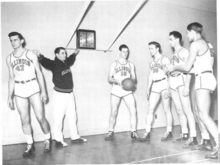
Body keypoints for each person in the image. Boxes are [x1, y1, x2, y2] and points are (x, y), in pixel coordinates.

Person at [165, 22, 218, 159]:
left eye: (188, 33)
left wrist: (174, 68)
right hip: (206, 76)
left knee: (204, 114)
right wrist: (180, 71)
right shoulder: (209, 44)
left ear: (193, 32)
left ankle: (218, 145)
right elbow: (203, 66)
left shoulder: (196, 44)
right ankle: (206, 141)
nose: (187, 35)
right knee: (197, 112)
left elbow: (187, 66)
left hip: (203, 79)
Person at [6, 32, 51, 157]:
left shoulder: (30, 54)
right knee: (24, 120)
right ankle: (30, 145)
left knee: (40, 117)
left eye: (15, 40)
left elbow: (39, 73)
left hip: (32, 86)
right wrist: (9, 96)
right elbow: (11, 78)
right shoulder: (9, 58)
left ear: (21, 40)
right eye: (11, 40)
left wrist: (44, 91)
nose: (13, 42)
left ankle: (47, 139)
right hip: (19, 88)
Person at [33, 47, 87, 147]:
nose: (64, 55)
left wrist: (75, 53)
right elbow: (45, 62)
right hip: (60, 95)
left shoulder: (66, 62)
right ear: (57, 55)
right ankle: (58, 140)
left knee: (72, 116)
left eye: (65, 53)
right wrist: (40, 56)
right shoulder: (54, 64)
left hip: (70, 94)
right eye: (62, 53)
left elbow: (71, 58)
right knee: (58, 118)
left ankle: (75, 137)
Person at [168, 31, 198, 148]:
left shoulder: (185, 52)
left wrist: (187, 86)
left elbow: (189, 69)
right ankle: (185, 133)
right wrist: (169, 86)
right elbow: (172, 71)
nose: (169, 41)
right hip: (173, 83)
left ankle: (193, 136)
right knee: (179, 110)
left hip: (182, 82)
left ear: (177, 39)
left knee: (187, 110)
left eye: (170, 39)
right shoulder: (174, 54)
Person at [105, 44, 139, 140]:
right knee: (113, 112)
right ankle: (110, 131)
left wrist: (130, 82)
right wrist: (118, 81)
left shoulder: (131, 64)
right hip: (116, 89)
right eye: (123, 51)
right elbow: (109, 79)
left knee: (133, 110)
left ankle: (133, 131)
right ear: (120, 52)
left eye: (127, 51)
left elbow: (134, 78)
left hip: (127, 90)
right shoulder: (114, 64)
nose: (125, 53)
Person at [140, 41, 173, 142]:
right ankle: (147, 132)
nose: (150, 50)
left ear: (157, 48)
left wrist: (168, 88)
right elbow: (150, 76)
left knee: (166, 109)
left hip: (164, 84)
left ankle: (169, 131)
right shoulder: (151, 61)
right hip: (155, 85)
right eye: (149, 48)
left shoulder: (165, 59)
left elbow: (170, 74)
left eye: (152, 48)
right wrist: (147, 89)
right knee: (150, 109)